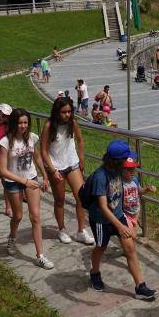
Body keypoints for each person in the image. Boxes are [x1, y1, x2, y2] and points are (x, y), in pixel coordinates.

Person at [86, 140, 157, 300]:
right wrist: (120, 226)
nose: (128, 161)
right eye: (126, 158)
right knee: (101, 247)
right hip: (101, 220)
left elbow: (130, 189)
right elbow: (103, 206)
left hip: (118, 215)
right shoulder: (100, 177)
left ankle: (140, 287)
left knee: (130, 248)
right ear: (117, 161)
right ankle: (95, 273)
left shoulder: (119, 171)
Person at [0, 108, 53, 269]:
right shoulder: (5, 142)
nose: (23, 126)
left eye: (25, 123)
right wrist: (24, 181)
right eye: (20, 123)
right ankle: (11, 239)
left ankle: (40, 256)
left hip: (31, 178)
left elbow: (37, 157)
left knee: (35, 216)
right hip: (13, 181)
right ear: (13, 123)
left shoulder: (31, 137)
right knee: (18, 216)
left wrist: (45, 176)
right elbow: (3, 170)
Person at [40, 97, 94, 245]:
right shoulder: (49, 126)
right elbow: (43, 151)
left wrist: (81, 159)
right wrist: (53, 170)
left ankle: (81, 231)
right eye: (64, 112)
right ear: (57, 112)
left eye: (69, 111)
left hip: (72, 164)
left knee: (81, 198)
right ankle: (61, 229)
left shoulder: (72, 123)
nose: (67, 115)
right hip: (56, 167)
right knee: (60, 200)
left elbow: (80, 140)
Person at [120, 156, 156, 229]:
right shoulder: (120, 183)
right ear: (122, 170)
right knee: (129, 233)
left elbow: (139, 191)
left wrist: (147, 189)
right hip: (125, 213)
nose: (132, 172)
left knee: (133, 232)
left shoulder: (135, 180)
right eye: (129, 169)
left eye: (133, 169)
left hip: (135, 212)